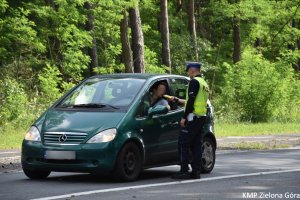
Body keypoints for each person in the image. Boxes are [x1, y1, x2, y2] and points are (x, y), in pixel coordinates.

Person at [170, 61, 209, 179]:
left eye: (188, 71)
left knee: (183, 143)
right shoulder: (204, 83)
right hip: (201, 117)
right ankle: (196, 171)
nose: (188, 73)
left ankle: (184, 171)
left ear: (192, 70)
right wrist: (177, 100)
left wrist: (183, 117)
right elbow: (195, 101)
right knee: (196, 144)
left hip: (192, 117)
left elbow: (191, 101)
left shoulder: (194, 82)